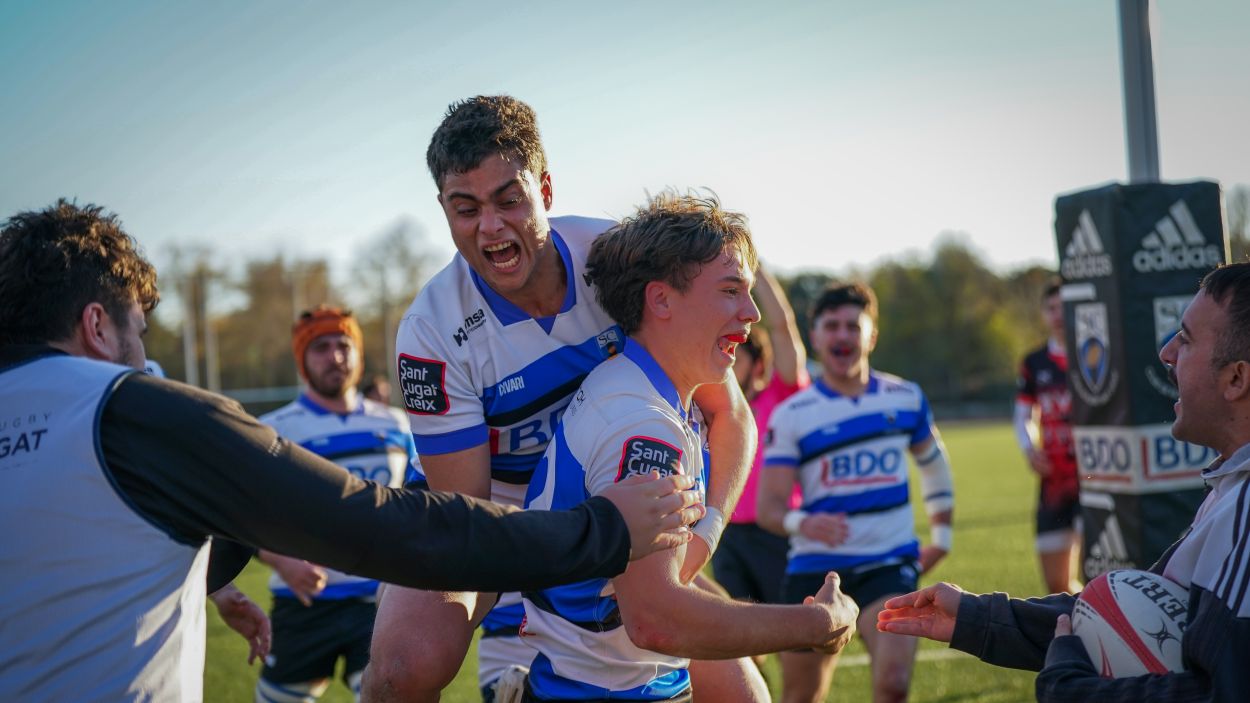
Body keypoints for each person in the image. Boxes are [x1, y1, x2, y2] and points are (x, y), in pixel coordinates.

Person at [0, 200, 705, 701]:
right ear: (98, 326)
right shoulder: (136, 411)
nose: (144, 356)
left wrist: (209, 577)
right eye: (139, 331)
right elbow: (374, 524)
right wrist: (602, 529)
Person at [367, 96, 755, 702]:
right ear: (443, 209)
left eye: (508, 200)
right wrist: (580, 554)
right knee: (401, 671)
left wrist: (699, 538)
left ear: (544, 188)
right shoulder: (432, 330)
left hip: (619, 515)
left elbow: (729, 414)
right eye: (466, 208)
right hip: (496, 522)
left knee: (743, 693)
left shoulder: (616, 258)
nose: (490, 227)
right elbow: (472, 518)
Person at [519, 192, 859, 702]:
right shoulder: (643, 425)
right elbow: (655, 620)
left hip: (603, 677)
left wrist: (706, 533)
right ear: (660, 301)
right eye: (730, 291)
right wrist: (816, 623)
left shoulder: (642, 382)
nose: (751, 313)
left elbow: (735, 419)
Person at [876, 262, 1250, 701]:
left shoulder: (1245, 504)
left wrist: (1069, 687)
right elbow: (1142, 607)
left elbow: (1224, 692)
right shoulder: (1231, 485)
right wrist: (975, 617)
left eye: (1185, 339)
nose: (1167, 352)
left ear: (1236, 378)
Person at [757, 282, 956, 703]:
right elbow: (768, 508)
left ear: (872, 336)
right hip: (815, 569)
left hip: (889, 564)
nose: (842, 335)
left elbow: (933, 464)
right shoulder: (792, 414)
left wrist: (942, 537)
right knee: (801, 696)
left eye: (853, 326)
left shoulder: (905, 397)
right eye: (831, 326)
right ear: (815, 338)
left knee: (894, 683)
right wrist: (803, 522)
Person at [253, 306, 416, 702]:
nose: (335, 356)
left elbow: (419, 503)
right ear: (302, 359)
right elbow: (242, 513)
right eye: (321, 347)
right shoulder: (274, 430)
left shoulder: (396, 424)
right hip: (305, 604)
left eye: (344, 345)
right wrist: (282, 561)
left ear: (359, 353)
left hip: (381, 603)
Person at [711, 265, 808, 615]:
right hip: (725, 533)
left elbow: (782, 326)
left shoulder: (780, 397)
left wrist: (754, 270)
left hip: (777, 534)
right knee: (738, 629)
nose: (729, 360)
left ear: (757, 365)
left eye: (738, 355)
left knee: (790, 629)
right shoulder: (711, 404)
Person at [1014, 280, 1081, 593]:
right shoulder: (1034, 362)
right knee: (1056, 585)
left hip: (1094, 481)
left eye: (1064, 307)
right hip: (1054, 482)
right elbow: (1024, 415)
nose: (1058, 315)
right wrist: (1030, 448)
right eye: (1051, 308)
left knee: (1098, 573)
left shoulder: (1096, 355)